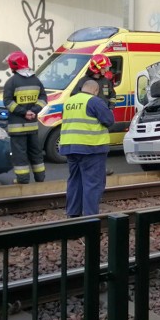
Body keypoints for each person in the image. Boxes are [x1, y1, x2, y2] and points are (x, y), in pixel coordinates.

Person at [59, 79, 115, 217]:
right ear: (96, 91)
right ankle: (90, 218)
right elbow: (109, 120)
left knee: (75, 181)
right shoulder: (94, 101)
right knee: (93, 184)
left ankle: (73, 214)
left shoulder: (69, 102)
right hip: (91, 147)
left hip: (70, 147)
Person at [2, 50, 48, 184]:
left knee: (20, 154)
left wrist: (23, 112)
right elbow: (43, 99)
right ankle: (40, 178)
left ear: (14, 65)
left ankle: (22, 179)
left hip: (17, 126)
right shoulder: (36, 80)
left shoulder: (11, 82)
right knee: (35, 152)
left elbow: (8, 102)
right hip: (33, 125)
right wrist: (33, 111)